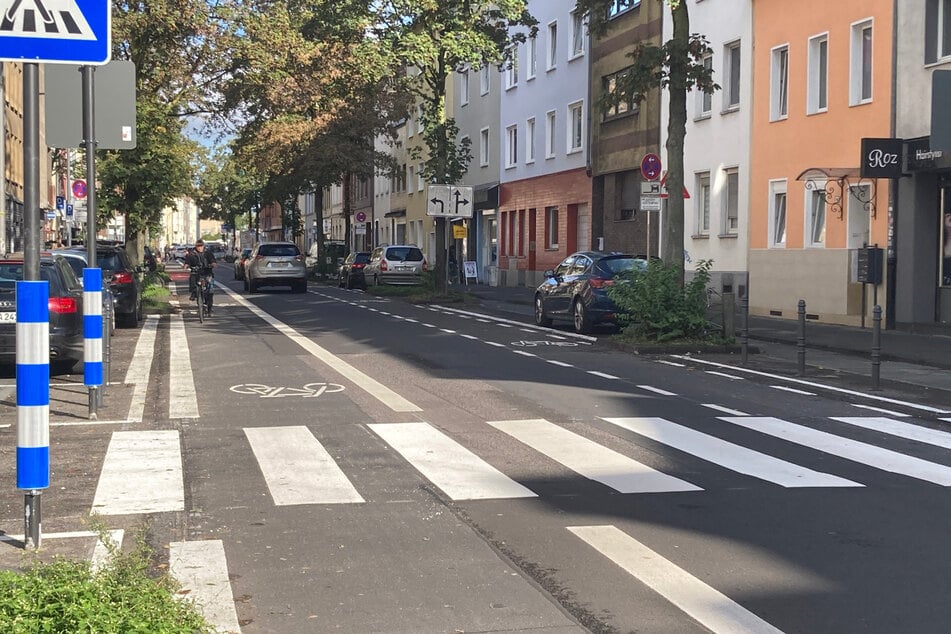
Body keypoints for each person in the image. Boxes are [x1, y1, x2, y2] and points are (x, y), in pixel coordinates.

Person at [184, 239, 216, 313]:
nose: (199, 248)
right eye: (198, 246)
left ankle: (209, 308)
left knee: (210, 291)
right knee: (192, 279)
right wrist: (186, 266)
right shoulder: (191, 254)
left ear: (203, 246)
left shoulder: (208, 253)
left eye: (201, 246)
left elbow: (213, 262)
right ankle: (194, 293)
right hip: (196, 273)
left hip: (207, 272)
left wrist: (212, 264)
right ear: (195, 246)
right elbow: (187, 263)